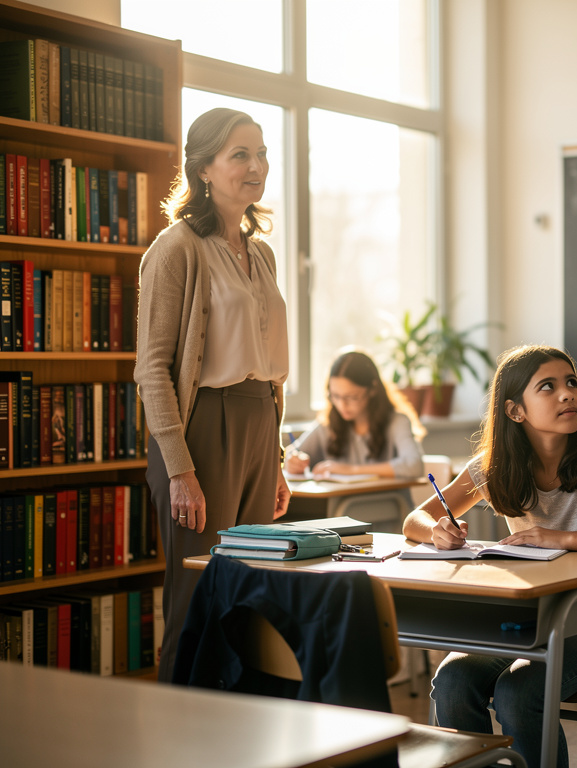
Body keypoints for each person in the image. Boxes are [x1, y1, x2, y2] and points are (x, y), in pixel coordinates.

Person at [402, 344, 577, 768]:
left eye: (571, 382)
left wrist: (560, 538)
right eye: (548, 387)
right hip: (531, 621)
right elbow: (416, 519)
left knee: (520, 691)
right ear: (516, 411)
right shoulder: (494, 465)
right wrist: (436, 532)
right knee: (453, 680)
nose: (568, 394)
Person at [135, 107, 290, 682]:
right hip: (201, 430)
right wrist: (179, 469)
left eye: (262, 153)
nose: (258, 166)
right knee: (199, 601)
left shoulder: (264, 254)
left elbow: (269, 365)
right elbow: (152, 367)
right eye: (241, 155)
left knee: (250, 601)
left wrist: (273, 459)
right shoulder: (175, 249)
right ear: (203, 169)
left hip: (257, 423)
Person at [284, 347, 425, 482]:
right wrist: (292, 461)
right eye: (335, 396)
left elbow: (414, 466)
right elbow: (292, 454)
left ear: (373, 389)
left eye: (352, 397)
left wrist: (350, 470)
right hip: (341, 506)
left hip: (389, 504)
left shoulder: (397, 422)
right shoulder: (327, 424)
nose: (341, 405)